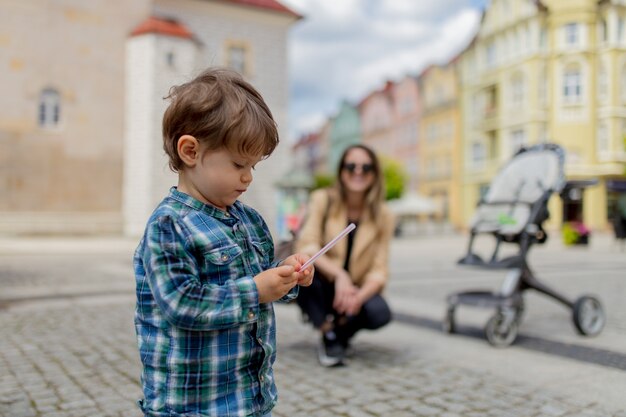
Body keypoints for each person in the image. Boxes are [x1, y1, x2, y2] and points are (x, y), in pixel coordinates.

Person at [133, 67, 314, 417]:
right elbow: (181, 303)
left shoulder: (249, 219)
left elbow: (265, 281)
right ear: (190, 151)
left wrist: (288, 275)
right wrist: (256, 290)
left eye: (254, 166)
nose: (247, 176)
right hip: (190, 405)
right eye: (238, 163)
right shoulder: (170, 224)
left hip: (248, 397)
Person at [295, 144, 395, 367]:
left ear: (374, 173)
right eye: (351, 166)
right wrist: (340, 275)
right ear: (341, 171)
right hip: (323, 282)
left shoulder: (384, 215)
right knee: (301, 275)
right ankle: (327, 332)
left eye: (366, 167)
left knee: (380, 312)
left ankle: (339, 330)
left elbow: (379, 269)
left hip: (353, 291)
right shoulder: (323, 199)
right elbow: (307, 246)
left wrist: (358, 297)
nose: (358, 172)